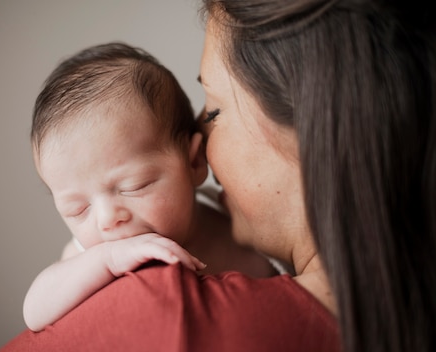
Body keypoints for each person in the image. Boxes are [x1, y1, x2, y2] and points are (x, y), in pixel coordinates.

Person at [1, 1, 436, 351]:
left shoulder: (180, 315)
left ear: (316, 127)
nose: (198, 131)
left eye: (214, 109)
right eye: (75, 207)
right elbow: (36, 306)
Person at [23, 42, 276, 332]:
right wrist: (107, 262)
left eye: (134, 186)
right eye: (77, 209)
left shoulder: (229, 216)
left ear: (193, 163)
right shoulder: (91, 255)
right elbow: (34, 310)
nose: (107, 219)